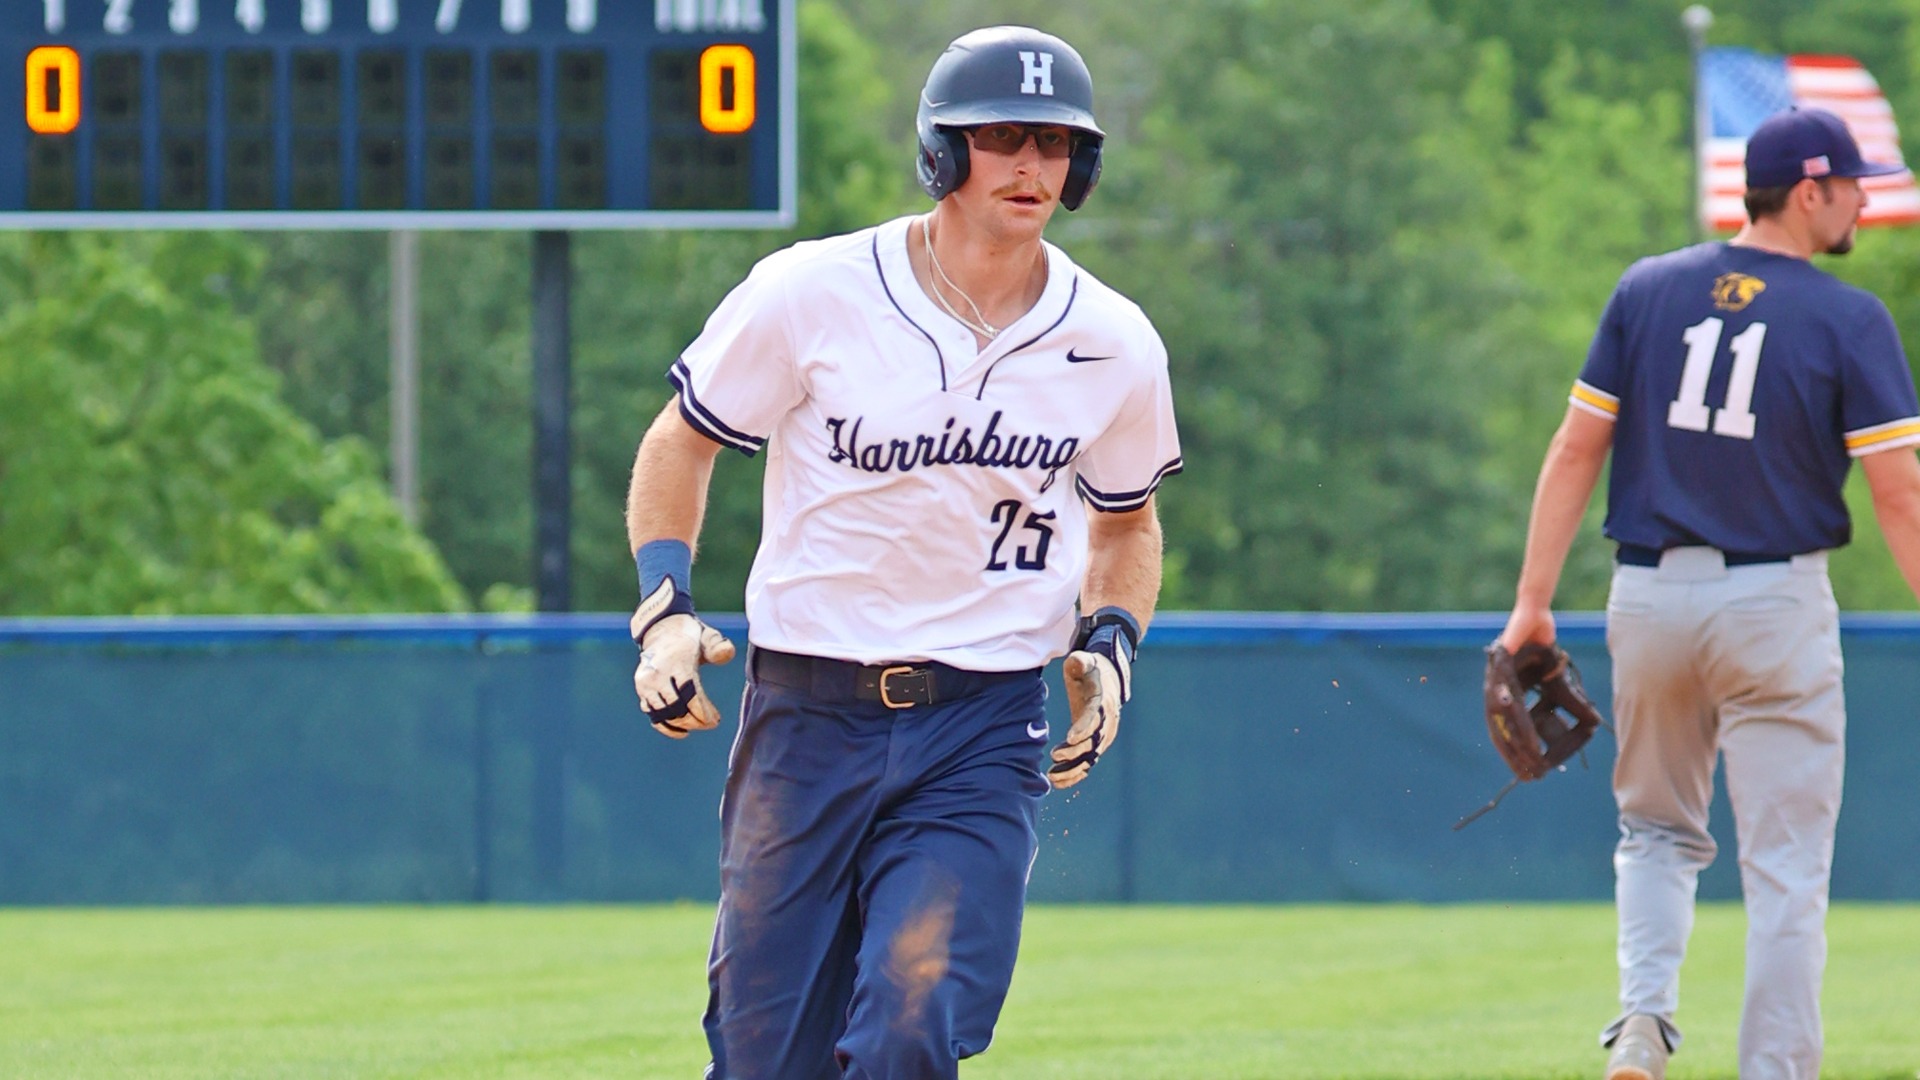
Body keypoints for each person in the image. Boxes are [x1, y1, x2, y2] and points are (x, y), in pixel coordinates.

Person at [623, 25, 1181, 1079]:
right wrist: (663, 609)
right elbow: (681, 443)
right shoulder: (813, 290)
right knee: (762, 1057)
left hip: (982, 724)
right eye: (1002, 136)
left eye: (1056, 143)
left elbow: (1127, 521)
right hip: (807, 712)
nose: (1031, 164)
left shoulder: (1113, 339)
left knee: (911, 1020)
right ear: (942, 153)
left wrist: (1111, 644)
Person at [1497, 106, 1920, 1080]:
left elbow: (1574, 450)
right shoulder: (1849, 317)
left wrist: (1532, 600)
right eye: (1854, 184)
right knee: (1783, 871)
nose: (1863, 200)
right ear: (1810, 192)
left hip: (1649, 600)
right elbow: (1898, 493)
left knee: (1652, 829)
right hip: (1775, 606)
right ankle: (1772, 1070)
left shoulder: (1647, 290)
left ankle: (1642, 1025)